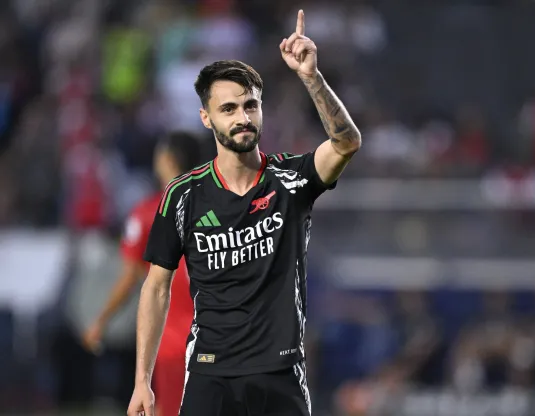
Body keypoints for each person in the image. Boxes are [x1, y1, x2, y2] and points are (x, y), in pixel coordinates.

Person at [127, 10, 361, 416]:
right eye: (229, 109)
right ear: (206, 118)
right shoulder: (182, 196)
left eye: (250, 106)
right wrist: (142, 382)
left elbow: (346, 143)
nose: (243, 118)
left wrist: (311, 78)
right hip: (209, 375)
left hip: (281, 373)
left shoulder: (291, 179)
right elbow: (155, 288)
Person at [83, 131, 203, 416]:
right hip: (219, 337)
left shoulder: (149, 213)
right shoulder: (221, 208)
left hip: (173, 341)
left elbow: (131, 276)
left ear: (167, 160)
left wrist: (100, 320)